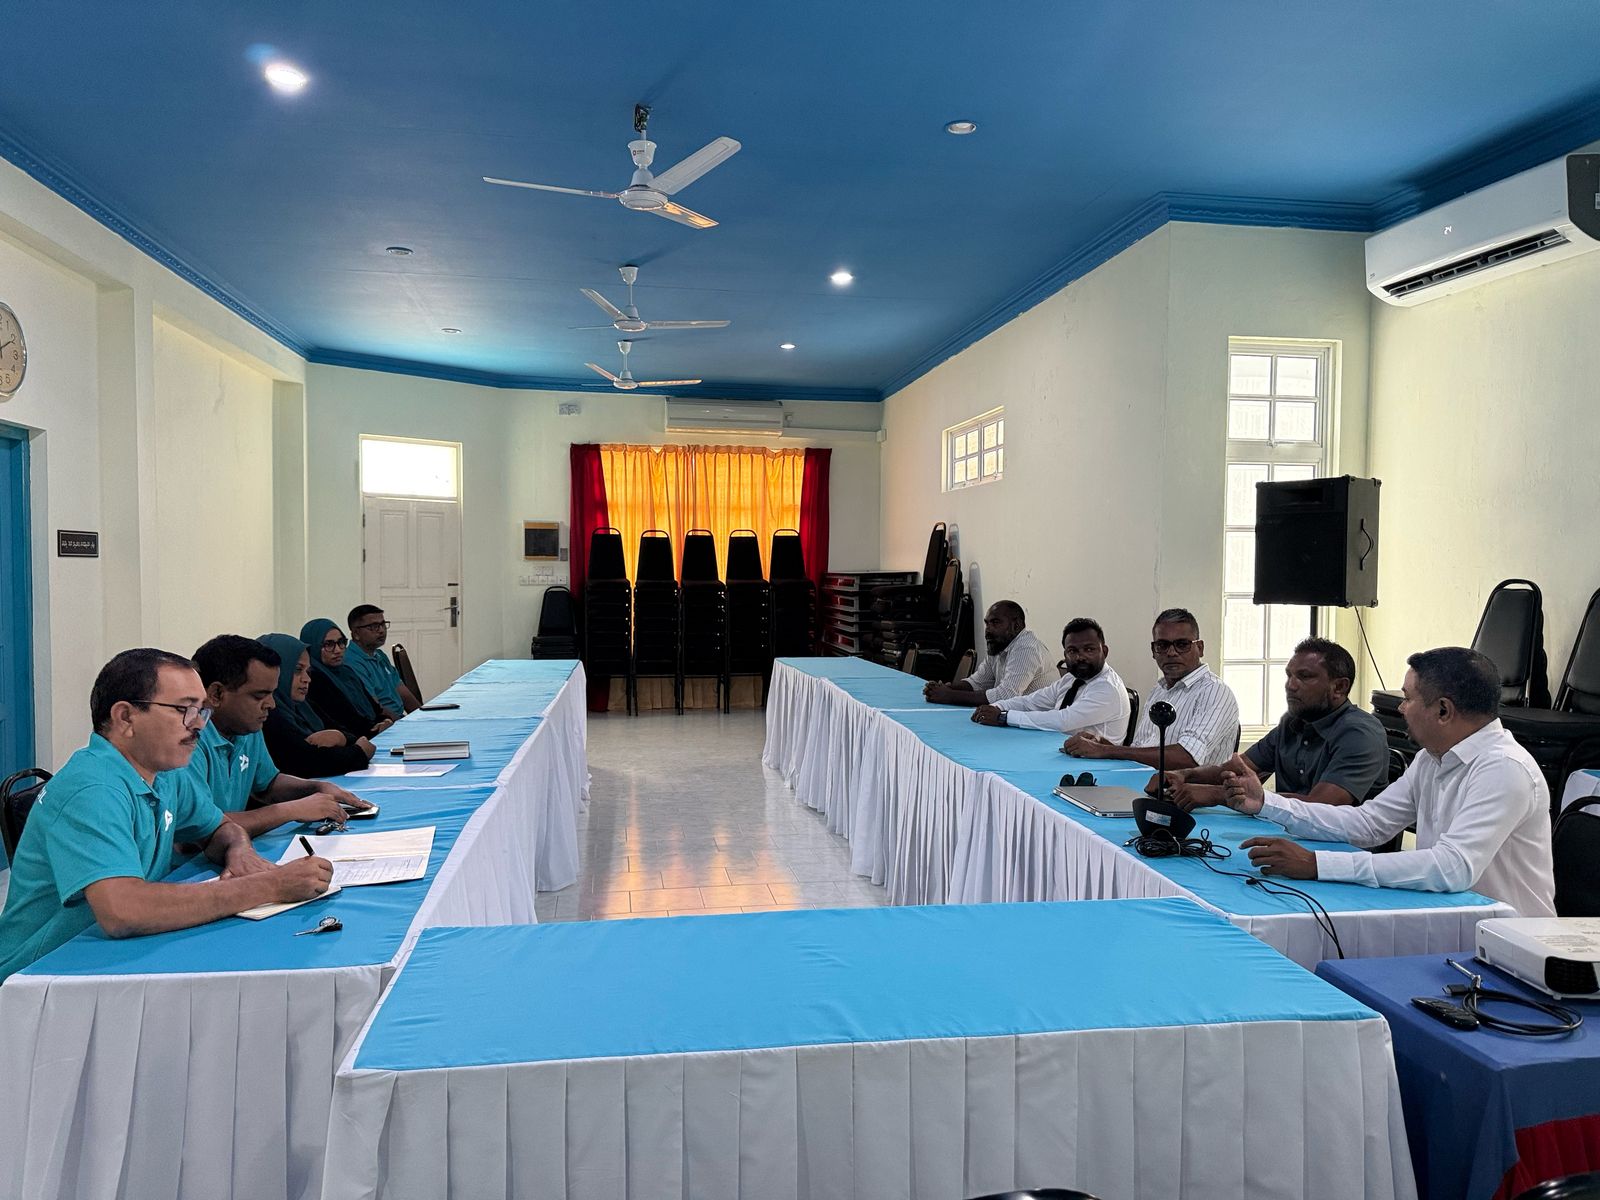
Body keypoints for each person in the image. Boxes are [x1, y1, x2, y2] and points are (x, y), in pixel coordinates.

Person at [0, 649, 334, 983]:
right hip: (41, 976)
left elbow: (220, 826)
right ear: (125, 717)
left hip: (115, 956)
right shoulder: (92, 789)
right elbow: (123, 910)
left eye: (202, 710)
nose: (199, 724)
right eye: (184, 710)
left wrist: (240, 852)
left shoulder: (164, 773)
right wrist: (270, 885)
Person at [1226, 646, 1555, 917]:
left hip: (1513, 943)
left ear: (1443, 711)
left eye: (1408, 698)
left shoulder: (1503, 768)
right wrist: (1266, 803)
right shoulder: (1431, 758)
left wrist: (1317, 864)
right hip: (1453, 919)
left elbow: (1452, 867)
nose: (1401, 708)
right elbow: (1369, 823)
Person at [1148, 637, 1386, 809]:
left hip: (1342, 851)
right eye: (1289, 675)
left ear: (1339, 687)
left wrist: (1216, 795)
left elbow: (1321, 806)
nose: (1291, 685)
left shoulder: (1359, 733)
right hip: (1288, 832)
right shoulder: (1293, 722)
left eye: (1304, 677)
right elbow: (1239, 768)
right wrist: (1184, 775)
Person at [189, 635, 372, 831]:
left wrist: (316, 788)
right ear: (216, 694)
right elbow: (200, 829)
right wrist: (290, 810)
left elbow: (268, 784)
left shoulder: (245, 727)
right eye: (259, 696)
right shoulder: (188, 740)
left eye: (272, 693)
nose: (271, 704)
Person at [1064, 608, 1239, 768]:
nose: (1171, 652)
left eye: (1182, 644)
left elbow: (1187, 758)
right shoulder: (1160, 689)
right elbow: (1140, 750)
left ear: (1199, 648)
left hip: (1187, 790)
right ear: (1153, 651)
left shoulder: (1215, 692)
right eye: (1162, 645)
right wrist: (1101, 743)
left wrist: (1106, 751)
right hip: (1145, 781)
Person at [972, 617, 1130, 739]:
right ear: (1065, 655)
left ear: (1105, 651)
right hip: (1059, 751)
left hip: (1093, 765)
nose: (1080, 657)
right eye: (1073, 651)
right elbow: (1031, 702)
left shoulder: (1107, 688)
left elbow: (1062, 721)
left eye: (1089, 649)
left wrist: (1004, 717)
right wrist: (998, 706)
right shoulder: (1071, 679)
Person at [260, 633, 376, 778]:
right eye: (297, 670)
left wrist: (341, 737)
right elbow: (307, 761)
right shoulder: (269, 713)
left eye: (308, 671)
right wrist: (359, 752)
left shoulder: (303, 706)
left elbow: (346, 733)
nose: (307, 679)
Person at [923, 601, 1055, 707]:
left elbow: (1006, 695)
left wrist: (949, 696)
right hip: (1017, 717)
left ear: (1016, 625)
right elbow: (977, 683)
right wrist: (945, 688)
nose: (988, 630)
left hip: (1038, 723)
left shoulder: (1026, 648)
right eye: (987, 623)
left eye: (995, 623)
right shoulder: (998, 645)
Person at [299, 618, 392, 740]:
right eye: (328, 644)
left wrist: (385, 721)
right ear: (313, 647)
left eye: (341, 642)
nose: (338, 650)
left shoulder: (347, 673)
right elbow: (345, 723)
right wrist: (377, 730)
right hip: (357, 741)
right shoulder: (314, 681)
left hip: (373, 736)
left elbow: (376, 709)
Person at [345, 604, 420, 717]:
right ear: (356, 634)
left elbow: (403, 693)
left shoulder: (379, 655)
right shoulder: (351, 662)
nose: (381, 630)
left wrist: (422, 717)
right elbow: (375, 708)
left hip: (399, 718)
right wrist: (401, 722)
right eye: (374, 626)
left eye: (383, 624)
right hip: (385, 722)